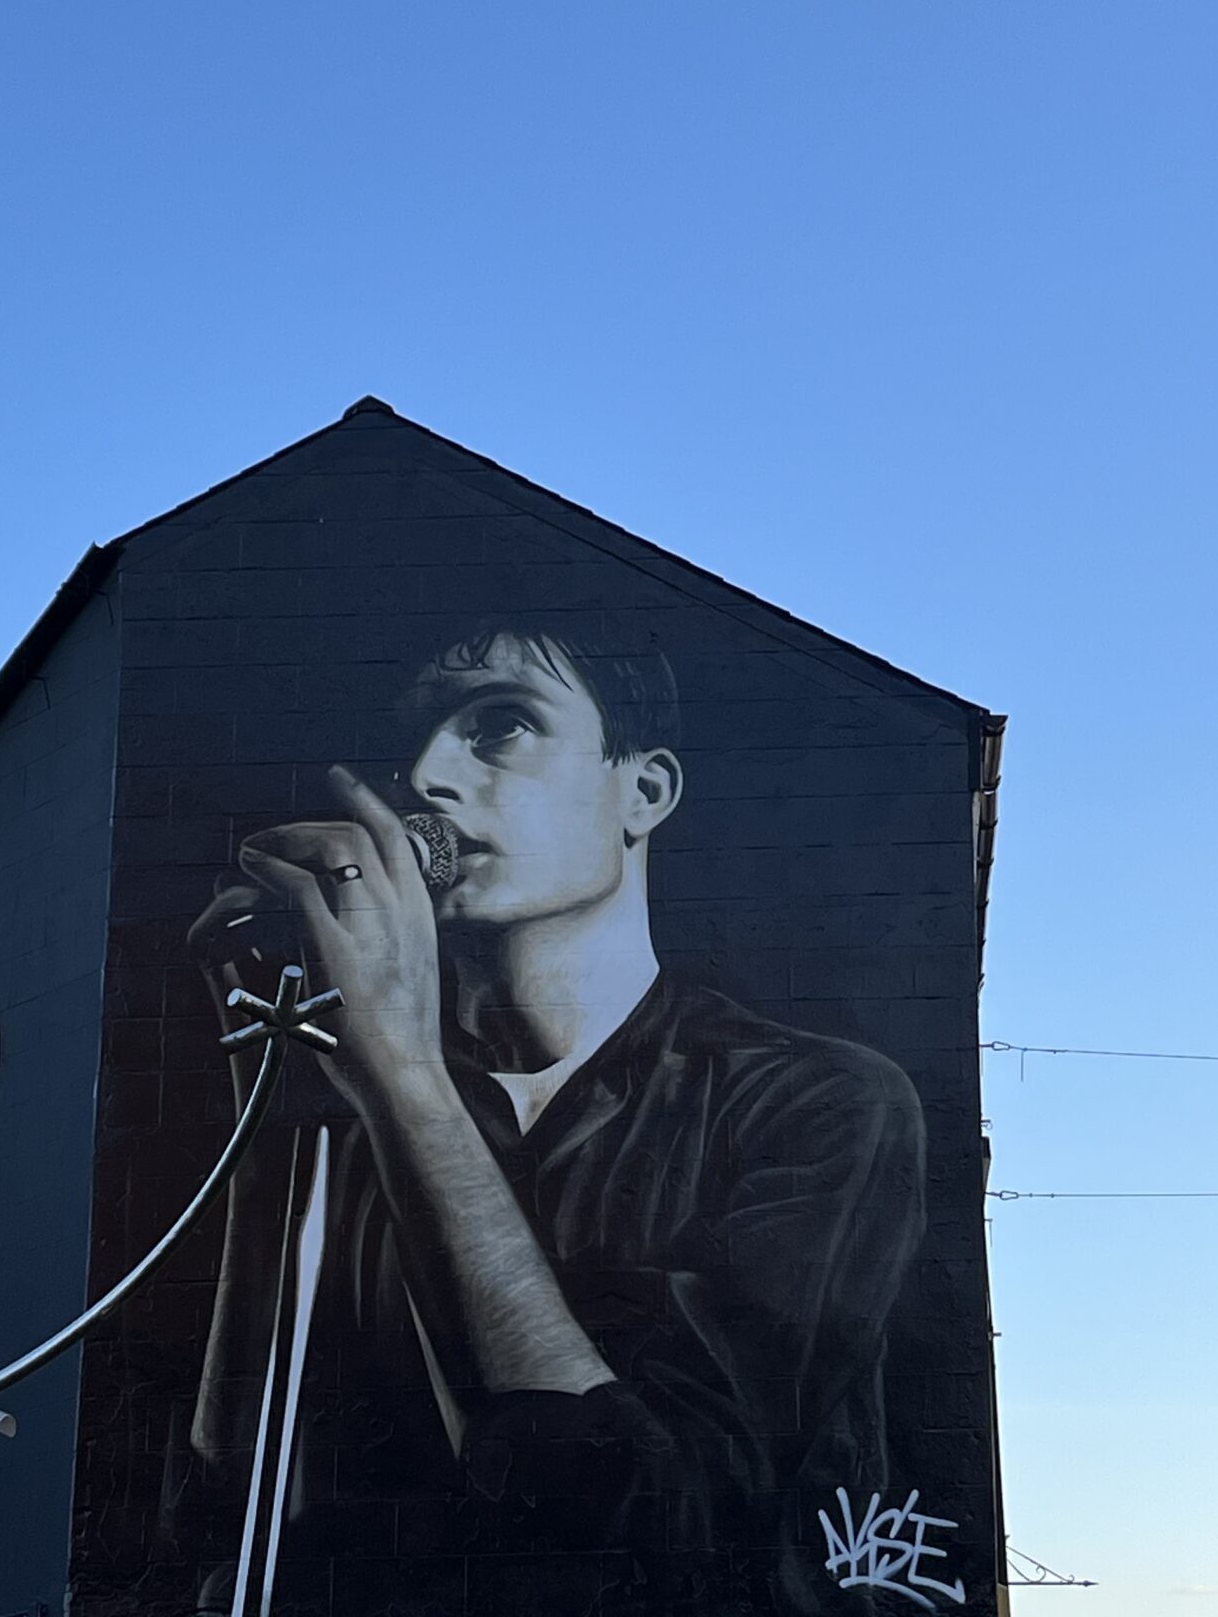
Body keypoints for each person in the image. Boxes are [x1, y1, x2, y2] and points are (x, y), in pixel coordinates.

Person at [181, 621, 928, 1615]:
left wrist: (403, 1078)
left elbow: (651, 1520)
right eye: (409, 743)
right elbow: (236, 1501)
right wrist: (272, 1115)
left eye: (500, 724)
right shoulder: (365, 1105)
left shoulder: (818, 1103)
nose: (426, 774)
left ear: (643, 792)